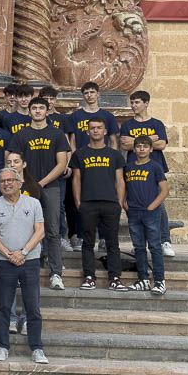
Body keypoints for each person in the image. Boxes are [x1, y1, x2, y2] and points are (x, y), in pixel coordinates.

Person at [0, 167, 48, 364]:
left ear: (19, 183)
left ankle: (37, 348)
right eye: (2, 181)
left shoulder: (34, 203)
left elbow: (40, 231)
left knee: (32, 306)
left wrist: (23, 252)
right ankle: (2, 346)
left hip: (29, 261)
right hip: (5, 262)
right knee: (4, 306)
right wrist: (9, 254)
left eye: (10, 180)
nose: (6, 184)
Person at [8, 98, 70, 290]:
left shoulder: (57, 134)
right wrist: (26, 184)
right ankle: (21, 272)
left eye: (41, 108)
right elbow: (12, 161)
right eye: (34, 108)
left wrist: (41, 183)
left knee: (52, 231)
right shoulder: (21, 134)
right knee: (24, 231)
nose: (37, 111)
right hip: (25, 189)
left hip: (50, 187)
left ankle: (56, 273)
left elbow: (62, 164)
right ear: (29, 111)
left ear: (47, 110)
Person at [71, 118, 127, 290]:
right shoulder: (79, 154)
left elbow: (120, 180)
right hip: (88, 203)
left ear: (105, 132)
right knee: (88, 243)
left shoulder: (114, 154)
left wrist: (119, 202)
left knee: (112, 243)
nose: (95, 131)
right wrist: (79, 202)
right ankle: (89, 276)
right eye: (92, 128)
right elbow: (76, 179)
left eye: (99, 128)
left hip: (110, 203)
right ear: (87, 132)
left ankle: (115, 278)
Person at [119, 90, 174, 256]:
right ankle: (140, 243)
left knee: (160, 205)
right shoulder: (128, 125)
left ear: (146, 103)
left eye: (137, 102)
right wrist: (152, 139)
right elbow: (125, 145)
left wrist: (137, 141)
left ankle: (165, 240)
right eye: (132, 102)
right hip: (134, 169)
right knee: (133, 205)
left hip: (154, 168)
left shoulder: (157, 123)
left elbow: (162, 144)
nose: (134, 106)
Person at [125, 135, 169, 294]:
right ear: (134, 149)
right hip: (134, 212)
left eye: (145, 146)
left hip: (150, 212)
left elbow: (164, 190)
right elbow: (123, 187)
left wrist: (152, 206)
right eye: (138, 146)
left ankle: (159, 281)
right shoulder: (128, 167)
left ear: (151, 149)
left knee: (155, 246)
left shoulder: (155, 166)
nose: (141, 149)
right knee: (138, 247)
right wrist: (124, 203)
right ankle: (143, 279)